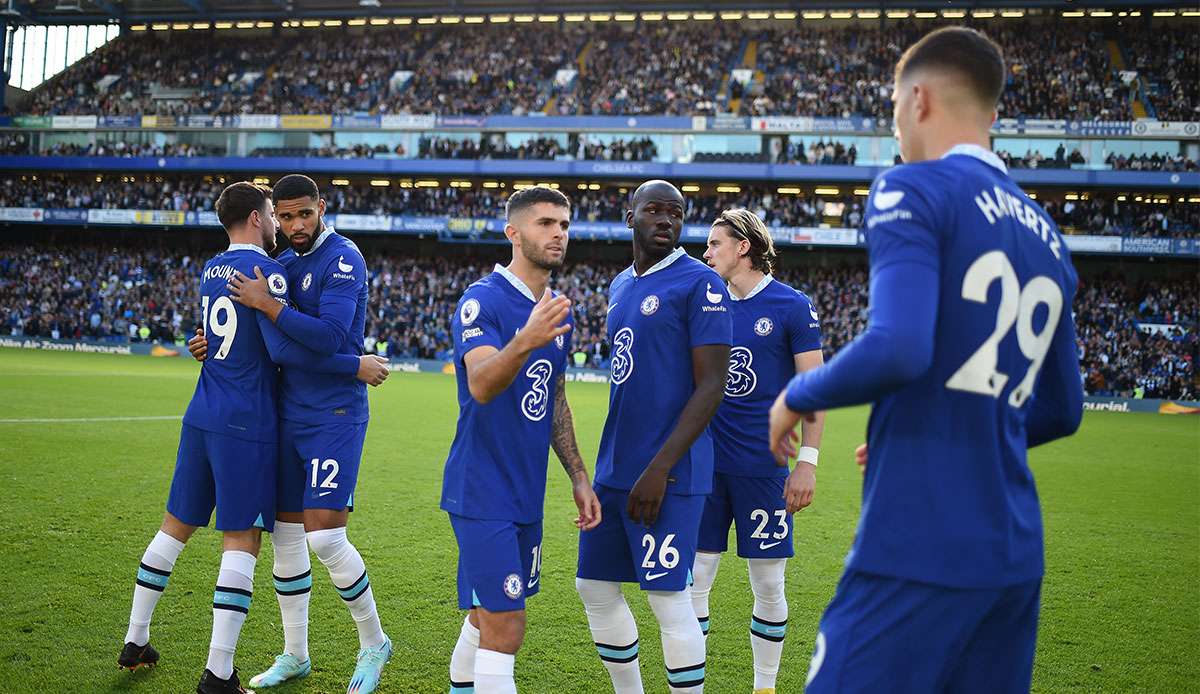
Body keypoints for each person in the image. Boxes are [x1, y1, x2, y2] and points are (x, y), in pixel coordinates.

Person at [767, 27, 1083, 693]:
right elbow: (1062, 409)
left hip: (918, 541)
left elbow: (899, 346)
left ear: (916, 100)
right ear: (991, 113)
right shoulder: (1048, 236)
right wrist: (938, 424)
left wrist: (798, 396)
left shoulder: (912, 188)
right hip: (1015, 556)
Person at [120, 182, 387, 694]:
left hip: (329, 414)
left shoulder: (340, 259)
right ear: (268, 218)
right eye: (284, 217)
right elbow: (270, 343)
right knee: (286, 542)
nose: (293, 226)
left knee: (323, 537)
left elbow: (320, 337)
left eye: (303, 215)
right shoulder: (277, 262)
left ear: (321, 210)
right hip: (278, 414)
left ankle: (373, 642)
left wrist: (270, 313)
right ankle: (295, 653)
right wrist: (352, 362)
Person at [441, 186, 602, 693]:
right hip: (481, 489)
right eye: (546, 223)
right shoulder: (481, 301)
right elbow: (482, 383)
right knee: (507, 628)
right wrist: (525, 338)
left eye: (565, 224)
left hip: (525, 492)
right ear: (514, 232)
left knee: (485, 616)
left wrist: (578, 475)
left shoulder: (555, 310)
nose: (559, 233)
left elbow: (553, 397)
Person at [576, 180, 732, 694]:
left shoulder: (700, 283)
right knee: (594, 586)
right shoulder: (621, 285)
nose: (665, 219)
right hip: (616, 469)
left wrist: (661, 467)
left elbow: (713, 383)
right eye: (654, 210)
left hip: (670, 472)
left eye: (676, 212)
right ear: (630, 217)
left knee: (669, 598)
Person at [694, 209, 825, 694]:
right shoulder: (706, 303)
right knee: (695, 581)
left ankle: (764, 686)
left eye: (714, 244)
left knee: (768, 584)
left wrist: (806, 464)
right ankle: (692, 685)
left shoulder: (791, 306)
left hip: (765, 469)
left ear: (743, 246)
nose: (706, 254)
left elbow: (814, 389)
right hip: (704, 470)